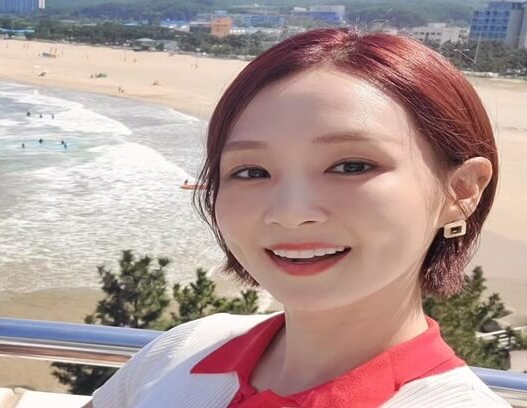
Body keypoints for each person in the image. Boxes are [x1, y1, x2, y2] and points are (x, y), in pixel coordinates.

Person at [86, 28, 508, 408]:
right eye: (251, 171)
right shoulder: (185, 348)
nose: (291, 213)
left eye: (351, 166)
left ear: (462, 190)